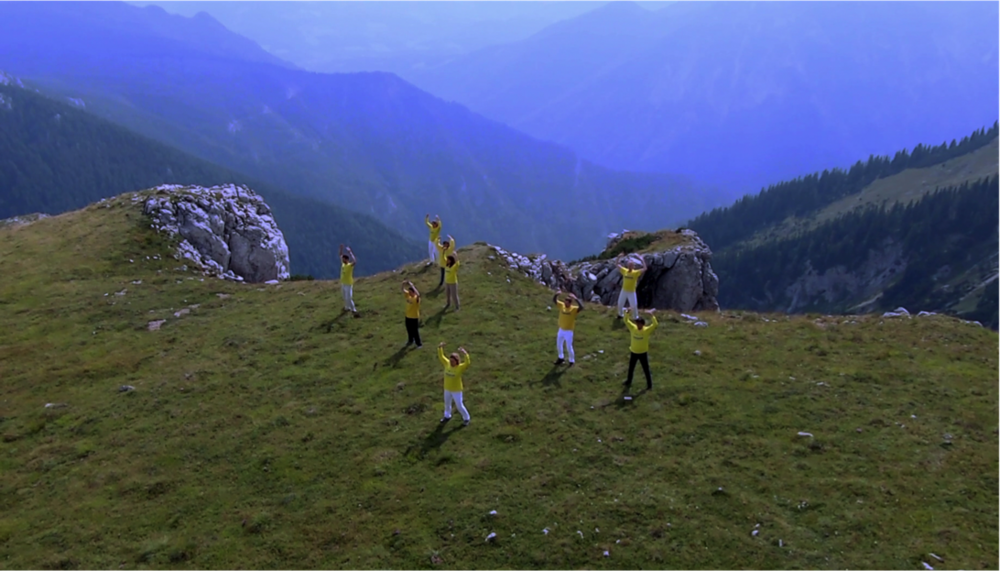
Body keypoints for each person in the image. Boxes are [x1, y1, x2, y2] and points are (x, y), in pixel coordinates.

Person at [438, 342, 471, 426]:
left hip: (457, 390)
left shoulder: (460, 368)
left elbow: (467, 363)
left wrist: (465, 354)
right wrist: (440, 348)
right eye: (451, 361)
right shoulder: (447, 364)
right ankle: (447, 416)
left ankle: (466, 418)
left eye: (453, 362)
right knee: (447, 403)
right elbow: (441, 357)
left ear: (457, 361)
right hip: (447, 389)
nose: (451, 363)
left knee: (459, 405)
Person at [623, 309, 658, 390]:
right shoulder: (633, 328)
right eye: (637, 324)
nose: (638, 326)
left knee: (646, 369)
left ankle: (649, 385)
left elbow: (655, 324)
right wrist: (627, 313)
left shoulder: (646, 331)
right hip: (634, 352)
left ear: (643, 324)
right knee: (631, 368)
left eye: (640, 324)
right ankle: (629, 381)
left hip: (643, 353)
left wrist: (652, 315)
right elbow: (626, 320)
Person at [552, 290, 583, 366]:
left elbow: (581, 307)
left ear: (570, 303)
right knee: (559, 344)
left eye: (567, 302)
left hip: (568, 331)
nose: (565, 303)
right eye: (565, 301)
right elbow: (554, 300)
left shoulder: (573, 309)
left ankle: (571, 360)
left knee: (569, 346)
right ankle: (560, 358)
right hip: (561, 329)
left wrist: (576, 299)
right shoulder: (562, 306)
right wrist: (556, 295)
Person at [616, 254, 646, 320]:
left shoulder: (635, 273)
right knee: (620, 303)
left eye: (631, 265)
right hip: (624, 290)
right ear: (627, 266)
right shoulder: (624, 271)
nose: (630, 266)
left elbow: (645, 268)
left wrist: (642, 260)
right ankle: (620, 315)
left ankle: (635, 317)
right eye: (629, 265)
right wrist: (618, 257)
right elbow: (617, 265)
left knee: (634, 305)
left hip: (631, 291)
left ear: (633, 266)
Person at [402, 280, 422, 348]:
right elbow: (403, 290)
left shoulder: (416, 299)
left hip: (414, 317)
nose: (409, 293)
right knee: (409, 329)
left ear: (414, 292)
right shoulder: (409, 296)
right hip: (407, 316)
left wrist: (412, 285)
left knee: (415, 331)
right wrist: (403, 284)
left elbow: (418, 294)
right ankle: (410, 340)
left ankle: (419, 344)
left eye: (411, 292)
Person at [339, 244, 357, 314]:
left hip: (348, 284)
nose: (342, 260)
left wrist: (350, 252)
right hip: (343, 283)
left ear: (347, 260)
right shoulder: (343, 264)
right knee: (344, 296)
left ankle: (354, 309)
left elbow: (355, 261)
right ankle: (347, 307)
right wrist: (341, 249)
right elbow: (340, 255)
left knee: (348, 298)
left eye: (344, 259)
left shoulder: (349, 266)